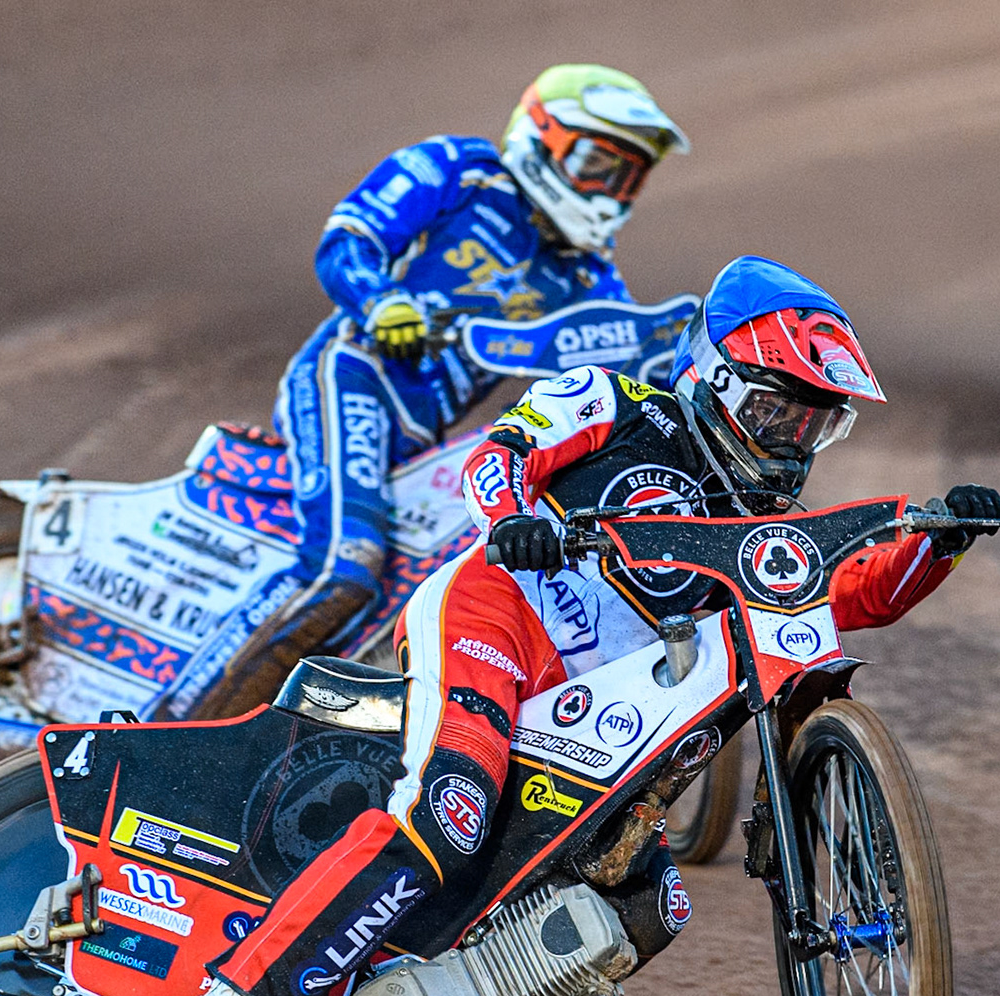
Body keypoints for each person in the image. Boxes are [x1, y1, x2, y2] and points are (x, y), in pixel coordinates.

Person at [174, 255, 1000, 996]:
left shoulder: (762, 528)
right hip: (495, 618)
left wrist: (939, 542)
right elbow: (504, 453)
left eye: (812, 426)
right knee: (448, 810)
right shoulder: (618, 404)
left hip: (591, 703)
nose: (789, 441)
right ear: (715, 378)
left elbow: (859, 589)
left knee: (651, 901)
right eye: (774, 411)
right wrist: (517, 521)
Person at [184, 65, 690, 717]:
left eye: (630, 176)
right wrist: (381, 301)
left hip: (427, 442)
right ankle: (177, 727)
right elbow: (347, 242)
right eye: (599, 163)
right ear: (541, 136)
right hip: (354, 375)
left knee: (421, 600)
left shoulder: (589, 279)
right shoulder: (458, 169)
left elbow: (622, 375)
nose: (612, 192)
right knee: (348, 566)